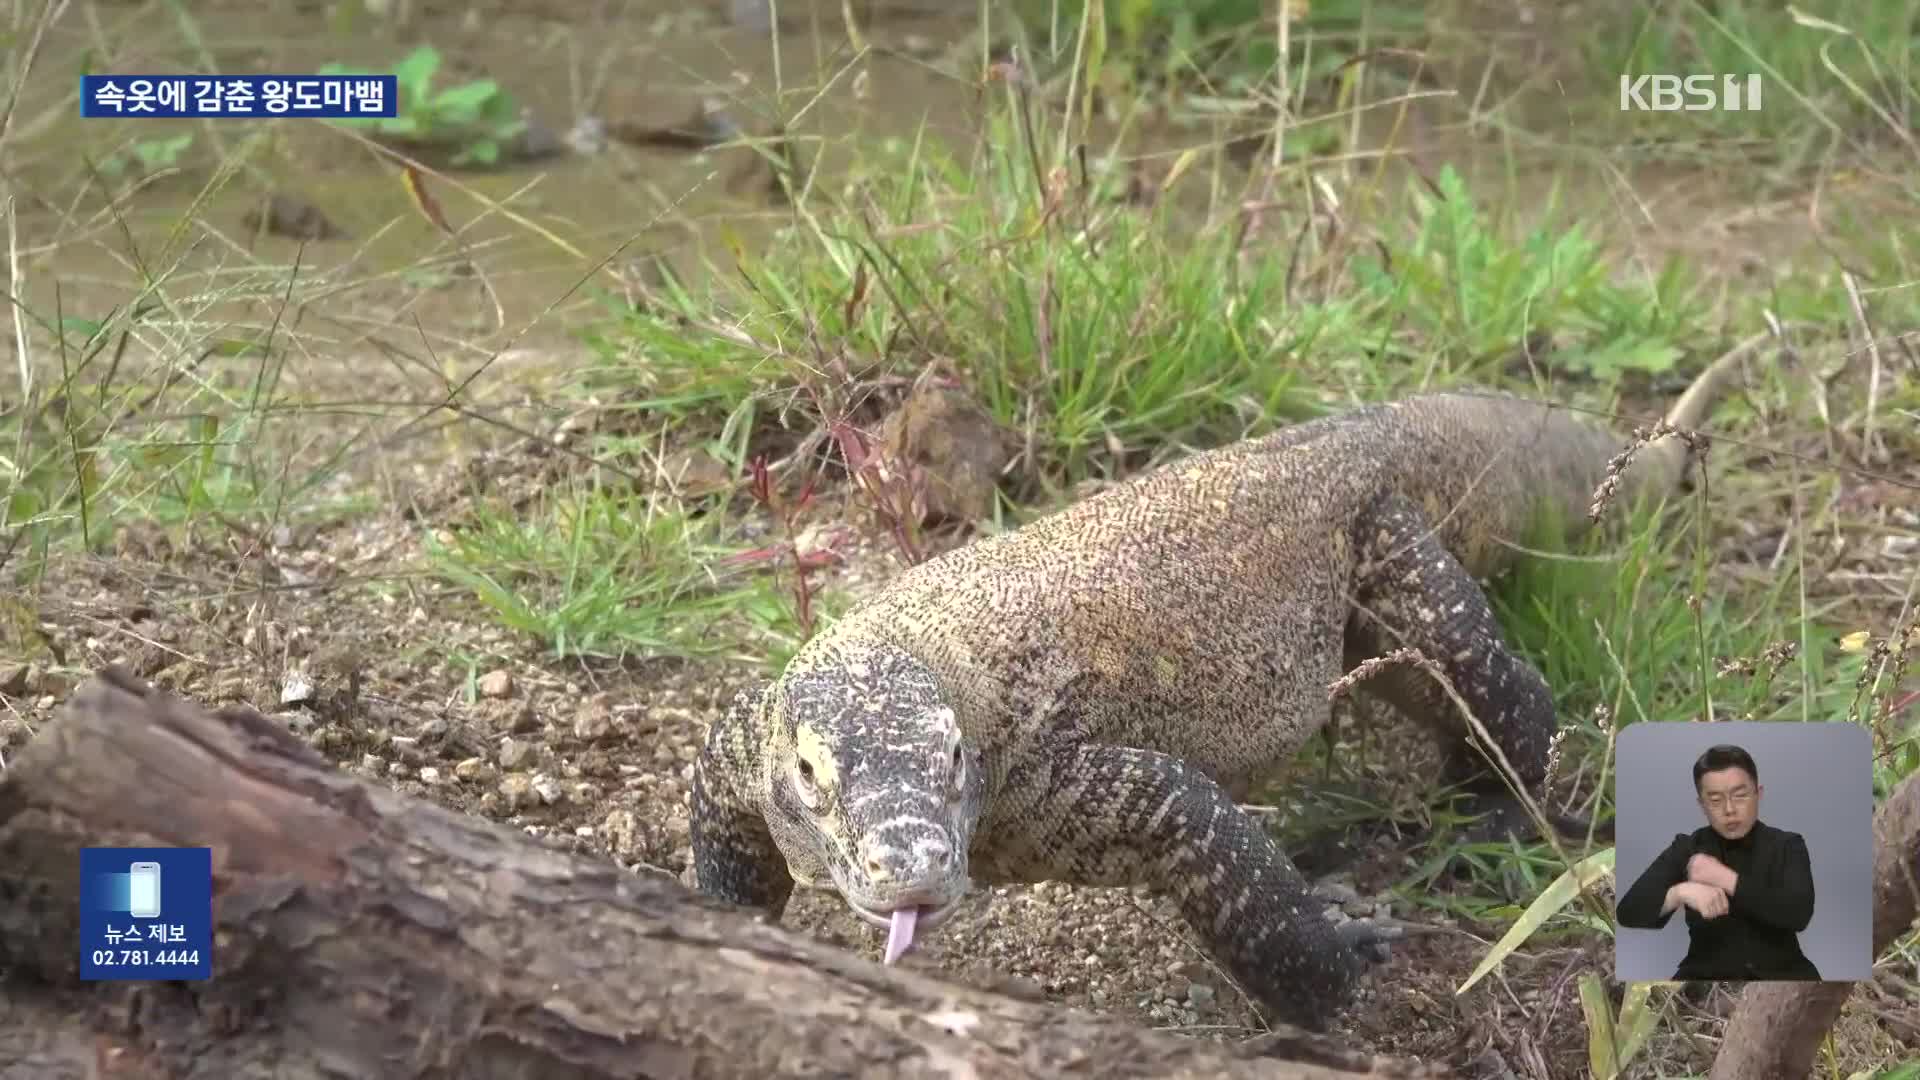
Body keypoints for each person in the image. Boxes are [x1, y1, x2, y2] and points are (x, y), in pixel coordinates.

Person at [1615, 743, 1821, 981]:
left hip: (1783, 977)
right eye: (1715, 800)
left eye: (1740, 796)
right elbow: (1628, 912)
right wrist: (1681, 891)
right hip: (1705, 979)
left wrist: (1725, 879)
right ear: (1702, 805)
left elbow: (1798, 914)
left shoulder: (1788, 845)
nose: (1729, 809)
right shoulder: (1687, 848)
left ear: (1759, 794)